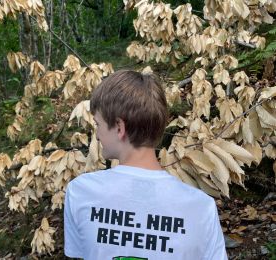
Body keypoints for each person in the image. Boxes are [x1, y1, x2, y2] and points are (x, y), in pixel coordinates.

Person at [64, 70, 228, 260]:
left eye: (98, 124)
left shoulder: (81, 191)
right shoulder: (201, 207)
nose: (98, 135)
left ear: (119, 127)